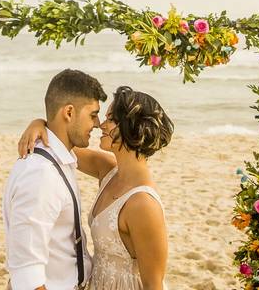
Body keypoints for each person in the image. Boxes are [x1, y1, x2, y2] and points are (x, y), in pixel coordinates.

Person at [17, 85, 173, 290]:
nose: (101, 125)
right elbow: (62, 143)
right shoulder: (107, 170)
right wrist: (39, 123)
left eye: (110, 119)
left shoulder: (143, 204)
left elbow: (154, 284)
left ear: (130, 127)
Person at [2, 69, 107, 290]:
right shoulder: (41, 175)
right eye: (93, 114)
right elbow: (27, 275)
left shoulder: (60, 159)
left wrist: (39, 122)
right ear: (69, 112)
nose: (97, 124)